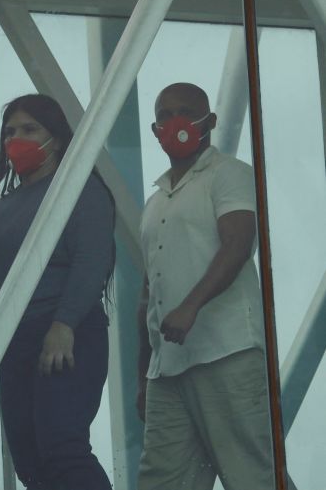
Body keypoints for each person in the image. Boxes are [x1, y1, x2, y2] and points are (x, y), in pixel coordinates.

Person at [0, 94, 115, 490]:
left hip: (64, 335)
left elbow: (92, 262)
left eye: (30, 129)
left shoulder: (80, 190)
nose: (17, 139)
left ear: (56, 136)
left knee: (62, 446)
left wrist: (64, 324)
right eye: (10, 131)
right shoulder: (0, 209)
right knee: (29, 457)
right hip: (11, 344)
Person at [136, 83, 274, 490]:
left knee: (250, 473)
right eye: (165, 115)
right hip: (169, 368)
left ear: (209, 121)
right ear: (154, 128)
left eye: (185, 111)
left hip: (226, 350)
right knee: (162, 479)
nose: (174, 122)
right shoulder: (156, 202)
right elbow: (149, 291)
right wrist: (144, 373)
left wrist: (191, 306)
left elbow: (237, 245)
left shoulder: (228, 174)